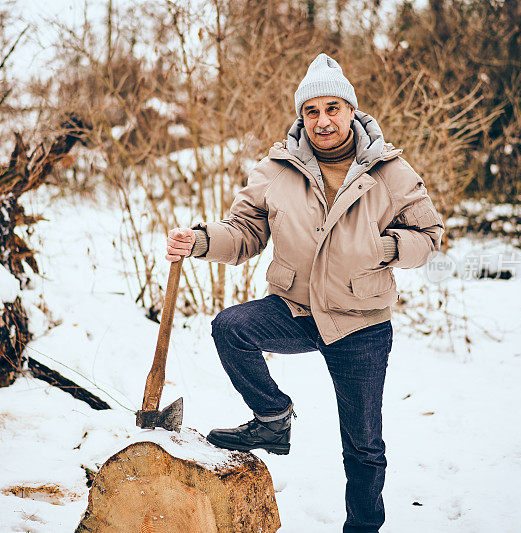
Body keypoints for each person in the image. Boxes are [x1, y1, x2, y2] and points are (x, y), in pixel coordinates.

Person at [165, 53, 444, 533]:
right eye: (312, 111)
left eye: (333, 108)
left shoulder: (389, 172)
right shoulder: (277, 169)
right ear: (302, 117)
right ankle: (273, 417)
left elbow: (431, 236)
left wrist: (386, 246)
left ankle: (363, 526)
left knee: (362, 441)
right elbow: (245, 232)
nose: (323, 121)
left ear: (351, 110)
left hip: (361, 320)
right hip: (295, 307)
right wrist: (202, 240)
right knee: (230, 328)